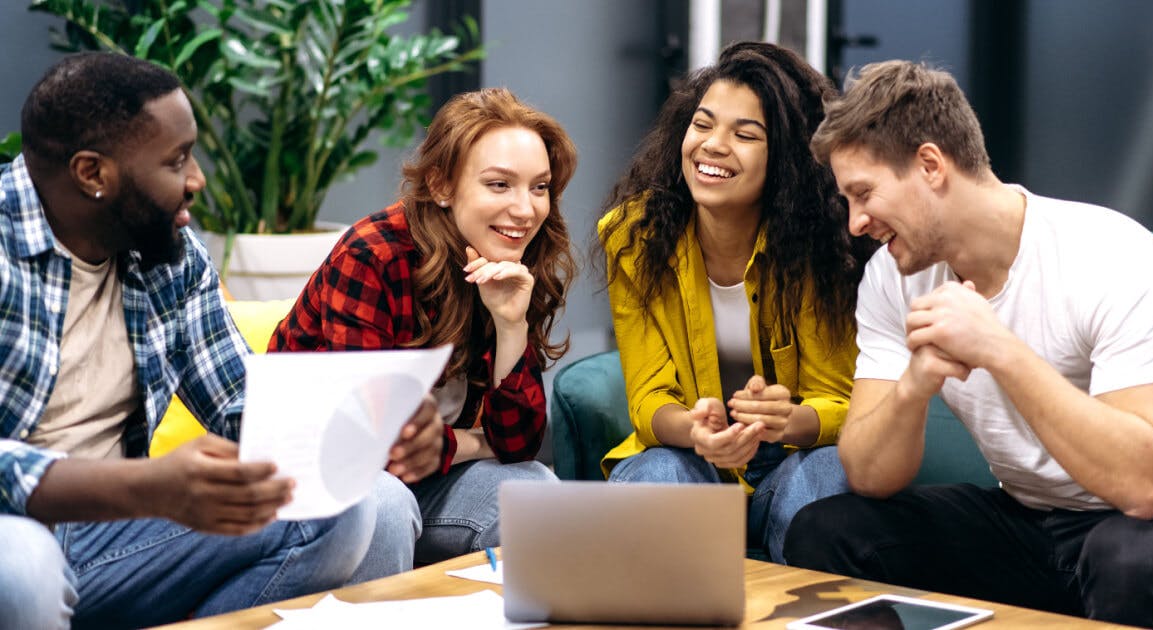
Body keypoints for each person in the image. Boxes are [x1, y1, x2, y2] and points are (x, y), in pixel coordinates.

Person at [0, 52, 432, 629]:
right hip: (17, 532)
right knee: (22, 563)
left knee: (360, 503)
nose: (197, 180)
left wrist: (379, 421)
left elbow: (243, 408)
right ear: (92, 174)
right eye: (176, 160)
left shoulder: (168, 257)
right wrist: (145, 487)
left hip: (114, 541)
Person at [783, 60, 1153, 629]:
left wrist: (998, 349)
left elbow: (1145, 487)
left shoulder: (1113, 254)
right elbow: (870, 475)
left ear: (930, 165)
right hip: (1028, 522)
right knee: (828, 530)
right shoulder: (891, 277)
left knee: (1126, 557)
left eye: (864, 194)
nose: (856, 223)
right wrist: (914, 386)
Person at [269, 87, 574, 564]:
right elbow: (377, 449)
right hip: (315, 481)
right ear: (441, 185)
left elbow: (518, 444)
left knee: (535, 493)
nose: (526, 209)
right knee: (386, 504)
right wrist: (473, 443)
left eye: (539, 187)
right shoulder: (374, 255)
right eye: (499, 185)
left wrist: (511, 324)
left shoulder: (510, 257)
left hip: (424, 483)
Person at [597, 41, 875, 563]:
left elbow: (845, 401)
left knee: (828, 474)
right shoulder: (632, 236)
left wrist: (788, 420)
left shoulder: (824, 247)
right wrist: (697, 430)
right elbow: (648, 401)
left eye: (745, 134)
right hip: (689, 458)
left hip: (795, 456)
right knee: (656, 475)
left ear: (787, 159)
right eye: (702, 125)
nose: (712, 146)